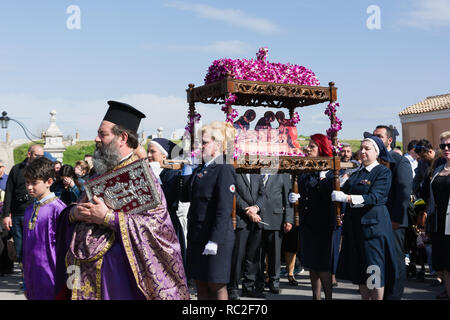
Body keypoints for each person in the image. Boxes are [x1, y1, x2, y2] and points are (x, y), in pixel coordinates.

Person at [54, 100, 189, 300]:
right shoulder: (99, 172)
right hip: (84, 271)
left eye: (103, 134)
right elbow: (76, 209)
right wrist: (74, 213)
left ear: (122, 138)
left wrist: (109, 218)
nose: (96, 139)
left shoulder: (143, 178)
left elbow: (158, 228)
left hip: (122, 277)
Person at [334, 135, 398, 300]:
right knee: (361, 269)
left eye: (367, 149)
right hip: (355, 227)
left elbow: (375, 197)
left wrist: (347, 198)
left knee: (373, 269)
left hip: (372, 228)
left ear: (376, 153)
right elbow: (342, 187)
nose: (362, 152)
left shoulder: (382, 172)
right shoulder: (357, 173)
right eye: (361, 148)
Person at [181, 121, 236, 300]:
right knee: (201, 283)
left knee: (216, 284)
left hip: (215, 236)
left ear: (217, 144)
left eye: (204, 142)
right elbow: (185, 197)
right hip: (198, 234)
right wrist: (186, 172)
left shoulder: (224, 168)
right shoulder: (201, 169)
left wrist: (214, 240)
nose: (201, 146)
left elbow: (224, 208)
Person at [288, 134, 336, 299]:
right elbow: (302, 192)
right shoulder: (306, 171)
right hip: (307, 222)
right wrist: (294, 197)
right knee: (311, 265)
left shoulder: (330, 172)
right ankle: (316, 296)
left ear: (321, 149)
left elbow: (327, 196)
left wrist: (322, 177)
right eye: (308, 145)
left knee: (322, 265)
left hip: (322, 224)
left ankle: (328, 297)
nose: (308, 149)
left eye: (312, 146)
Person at [371, 125, 413, 300]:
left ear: (389, 140)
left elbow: (404, 193)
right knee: (378, 260)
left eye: (379, 136)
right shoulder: (373, 161)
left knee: (395, 260)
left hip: (394, 221)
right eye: (373, 136)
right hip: (376, 220)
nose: (375, 139)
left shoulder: (399, 161)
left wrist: (396, 219)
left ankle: (393, 295)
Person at [22, 157, 66, 299]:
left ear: (49, 182)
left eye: (34, 183)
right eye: (27, 182)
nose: (29, 187)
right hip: (31, 275)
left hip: (51, 276)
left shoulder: (59, 210)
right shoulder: (29, 210)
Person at [147, 137, 186, 268]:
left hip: (168, 224)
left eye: (152, 152)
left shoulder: (172, 173)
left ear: (164, 155)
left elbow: (166, 198)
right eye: (148, 152)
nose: (148, 155)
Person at [2, 144, 44, 267]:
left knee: (34, 247)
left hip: (36, 213)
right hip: (17, 215)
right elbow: (9, 192)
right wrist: (6, 215)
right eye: (37, 155)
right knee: (20, 248)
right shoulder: (16, 169)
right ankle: (25, 275)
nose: (39, 158)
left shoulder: (43, 170)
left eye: (42, 156)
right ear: (29, 154)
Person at [228, 173, 266, 299]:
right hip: (241, 220)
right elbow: (234, 194)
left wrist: (256, 207)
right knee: (237, 256)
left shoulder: (256, 173)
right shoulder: (235, 171)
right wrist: (248, 211)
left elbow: (263, 193)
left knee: (253, 256)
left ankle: (249, 287)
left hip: (256, 220)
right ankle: (233, 287)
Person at [255, 172, 293, 295]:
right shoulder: (257, 172)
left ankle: (274, 282)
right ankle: (258, 282)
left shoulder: (283, 175)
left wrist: (288, 219)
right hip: (257, 219)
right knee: (258, 254)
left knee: (275, 254)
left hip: (276, 219)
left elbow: (288, 200)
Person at [427, 131, 450, 300]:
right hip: (439, 221)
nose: (446, 148)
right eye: (443, 146)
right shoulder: (440, 168)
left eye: (449, 145)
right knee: (443, 260)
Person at [0, 160, 13, 276]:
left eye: (0, 167)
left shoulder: (8, 179)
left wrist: (8, 214)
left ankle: (7, 266)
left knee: (5, 239)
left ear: (3, 167)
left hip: (5, 214)